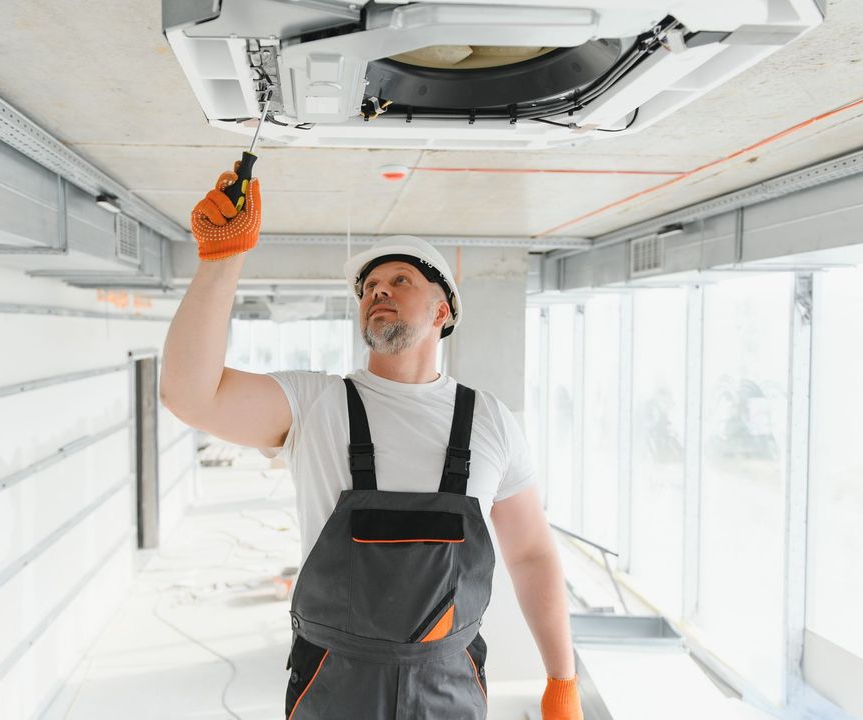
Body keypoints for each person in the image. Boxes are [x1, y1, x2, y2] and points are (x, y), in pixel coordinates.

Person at [160, 164, 583, 720]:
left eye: (400, 280)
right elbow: (190, 396)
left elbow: (530, 555)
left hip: (450, 688)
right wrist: (221, 262)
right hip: (335, 687)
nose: (378, 290)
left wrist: (561, 681)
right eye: (370, 288)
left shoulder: (490, 421)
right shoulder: (314, 406)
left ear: (443, 310)